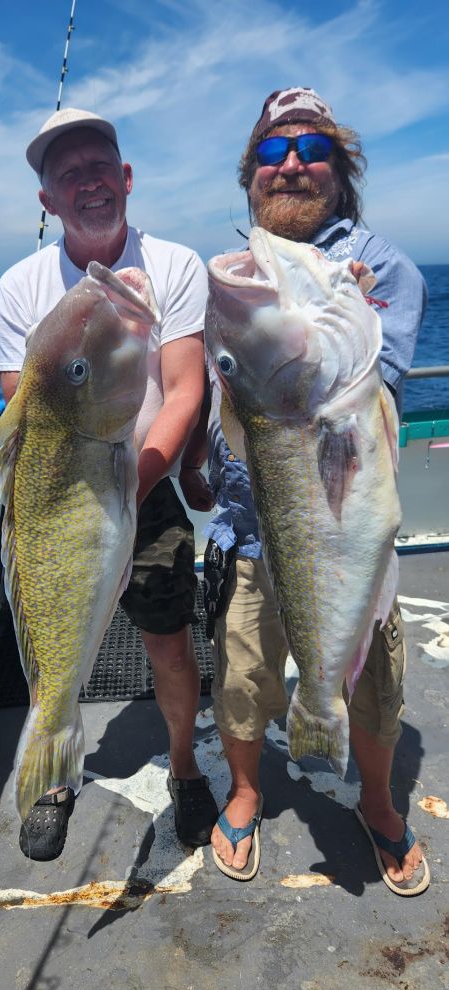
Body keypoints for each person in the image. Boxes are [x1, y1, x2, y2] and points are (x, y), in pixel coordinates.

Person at [197, 87, 430, 893]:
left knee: (371, 685)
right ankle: (248, 788)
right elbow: (226, 396)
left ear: (341, 170)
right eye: (270, 151)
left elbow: (368, 392)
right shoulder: (239, 276)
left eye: (310, 149)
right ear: (250, 174)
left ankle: (377, 804)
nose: (289, 164)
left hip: (339, 531)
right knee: (239, 680)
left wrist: (339, 302)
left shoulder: (385, 268)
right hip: (245, 531)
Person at [0, 107, 218, 861]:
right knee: (53, 649)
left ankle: (184, 768)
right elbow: (34, 410)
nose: (87, 182)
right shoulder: (18, 290)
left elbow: (183, 390)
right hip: (59, 507)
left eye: (99, 166)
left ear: (124, 178)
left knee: (170, 647)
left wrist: (137, 483)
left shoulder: (175, 265)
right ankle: (55, 773)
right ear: (47, 201)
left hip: (142, 484)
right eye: (66, 174)